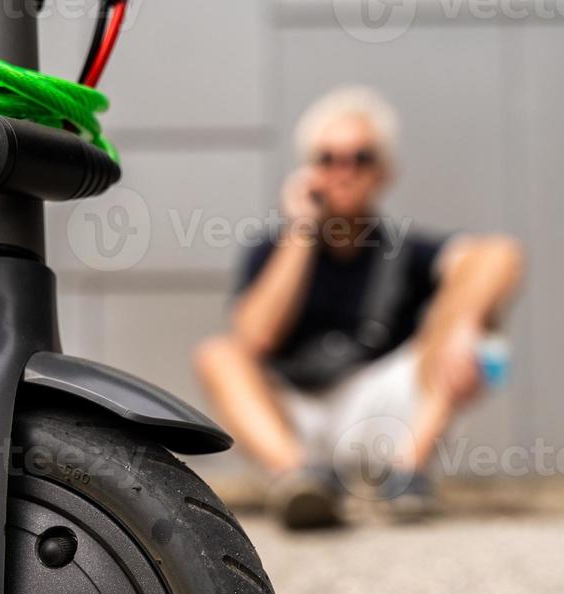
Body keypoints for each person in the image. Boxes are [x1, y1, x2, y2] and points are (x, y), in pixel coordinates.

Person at [195, 86, 525, 529]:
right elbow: (254, 337)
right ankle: (300, 481)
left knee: (477, 329)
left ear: (384, 171)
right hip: (297, 417)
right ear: (309, 170)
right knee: (218, 354)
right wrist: (303, 229)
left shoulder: (405, 251)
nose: (344, 172)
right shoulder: (274, 248)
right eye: (328, 159)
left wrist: (466, 325)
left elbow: (500, 254)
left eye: (361, 158)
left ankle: (407, 479)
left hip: (383, 414)